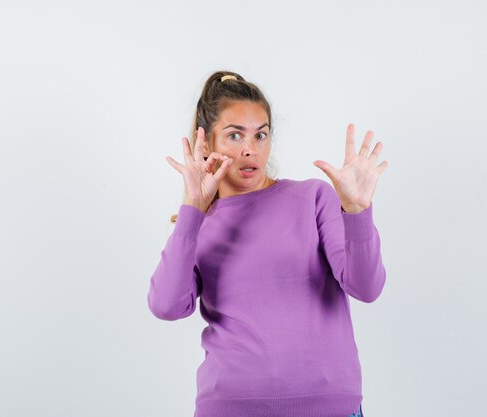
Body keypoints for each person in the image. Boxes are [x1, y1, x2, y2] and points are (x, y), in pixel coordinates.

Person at [147, 70, 388, 417]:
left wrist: (357, 210)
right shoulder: (197, 224)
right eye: (234, 135)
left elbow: (366, 287)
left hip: (328, 406)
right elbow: (166, 306)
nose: (250, 149)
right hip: (230, 408)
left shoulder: (312, 198)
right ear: (206, 142)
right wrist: (191, 208)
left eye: (261, 135)